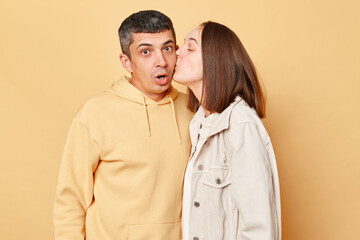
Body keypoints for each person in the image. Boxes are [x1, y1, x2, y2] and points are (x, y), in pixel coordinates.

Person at [53, 10, 192, 240]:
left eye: (167, 48)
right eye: (146, 51)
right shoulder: (95, 113)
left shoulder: (193, 110)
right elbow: (70, 200)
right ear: (126, 62)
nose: (161, 61)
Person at [173, 21, 281, 240]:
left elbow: (259, 228)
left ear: (216, 61)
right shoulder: (199, 124)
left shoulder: (241, 124)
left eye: (190, 47)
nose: (178, 52)